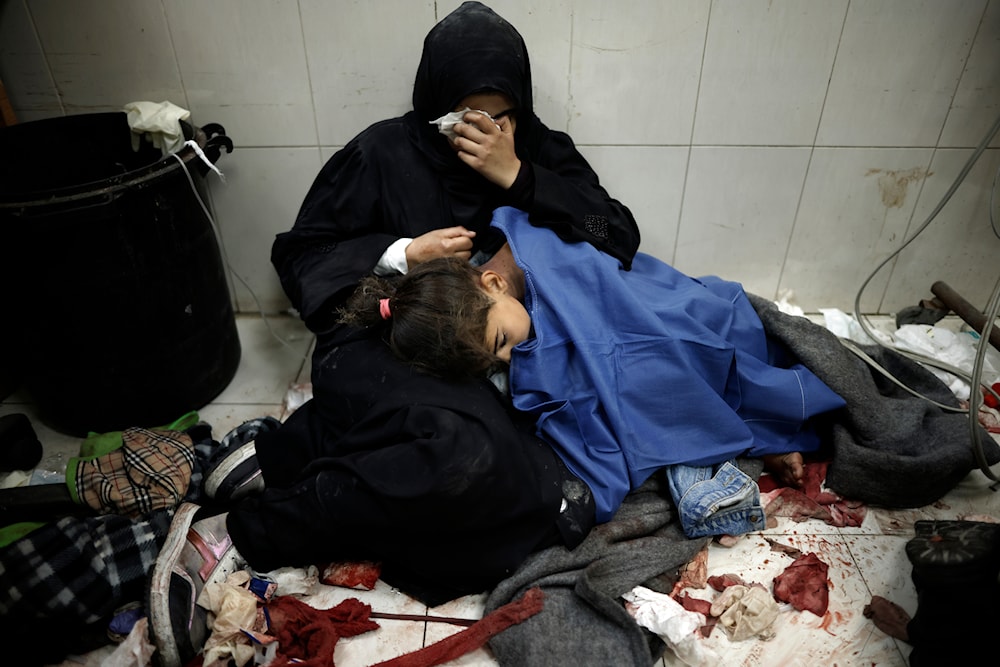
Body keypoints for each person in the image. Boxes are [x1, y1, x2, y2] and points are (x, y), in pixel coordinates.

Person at [339, 206, 848, 534]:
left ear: (492, 283)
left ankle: (745, 425)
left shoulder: (541, 228)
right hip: (623, 353)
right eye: (491, 360)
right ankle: (721, 439)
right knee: (627, 390)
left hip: (670, 310)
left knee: (668, 354)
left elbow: (611, 242)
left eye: (500, 343)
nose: (507, 359)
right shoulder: (503, 331)